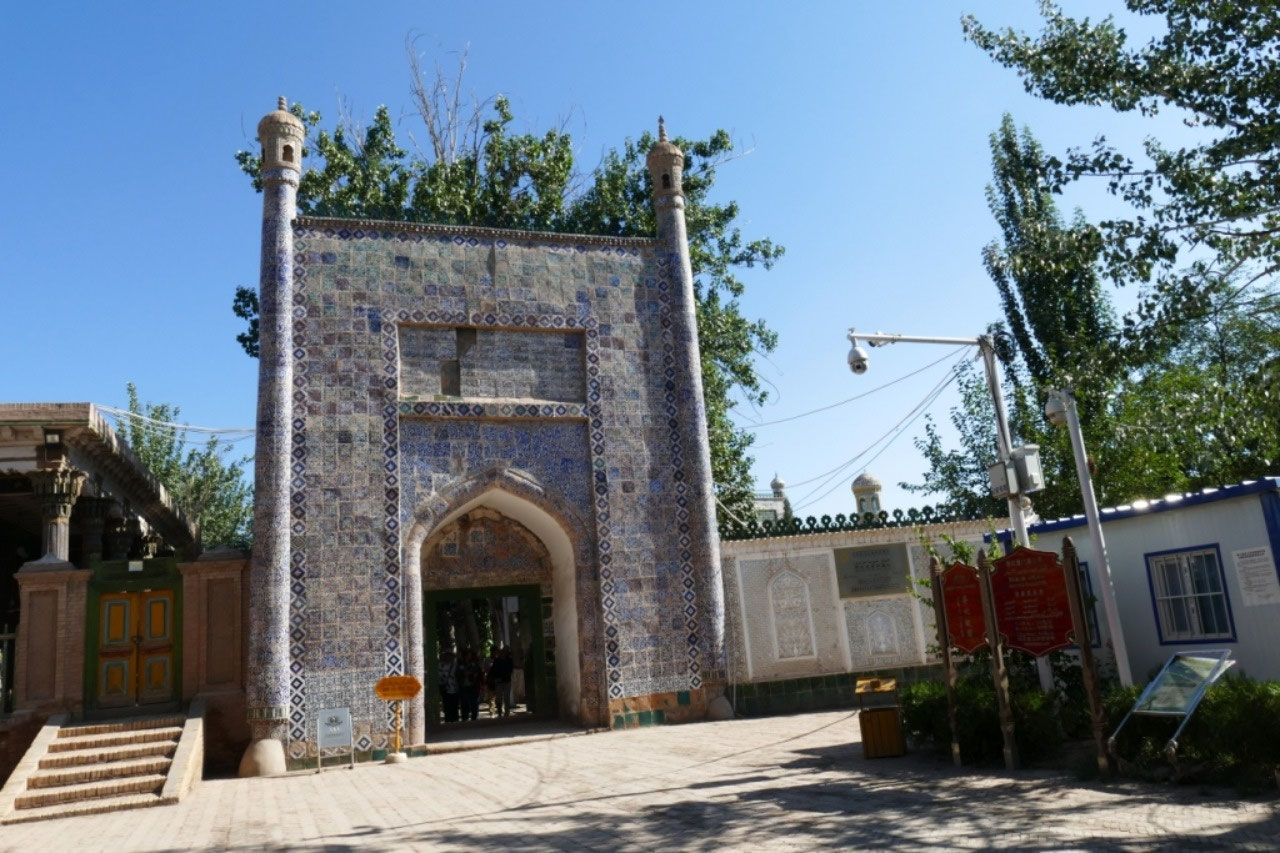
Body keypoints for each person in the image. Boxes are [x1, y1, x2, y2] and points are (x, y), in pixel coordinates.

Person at [458, 648, 482, 722]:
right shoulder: (460, 664)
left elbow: (479, 672)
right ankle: (465, 717)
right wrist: (463, 674)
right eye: (467, 655)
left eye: (470, 655)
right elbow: (457, 674)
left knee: (474, 702)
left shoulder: (474, 663)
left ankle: (474, 717)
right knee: (464, 702)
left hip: (473, 686)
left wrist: (473, 674)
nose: (469, 656)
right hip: (463, 686)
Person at [491, 646, 514, 717]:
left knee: (506, 697)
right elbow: (493, 670)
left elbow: (510, 670)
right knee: (498, 698)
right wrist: (496, 679)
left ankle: (507, 712)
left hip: (507, 681)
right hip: (499, 682)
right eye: (504, 651)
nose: (505, 652)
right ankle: (499, 712)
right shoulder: (497, 660)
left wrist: (503, 676)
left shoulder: (509, 660)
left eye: (507, 651)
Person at [439, 650, 460, 723]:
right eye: (447, 655)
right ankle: (448, 719)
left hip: (455, 688)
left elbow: (459, 676)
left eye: (451, 656)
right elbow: (439, 676)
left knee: (455, 705)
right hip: (446, 688)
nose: (449, 657)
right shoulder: (441, 665)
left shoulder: (455, 665)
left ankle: (455, 719)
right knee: (447, 705)